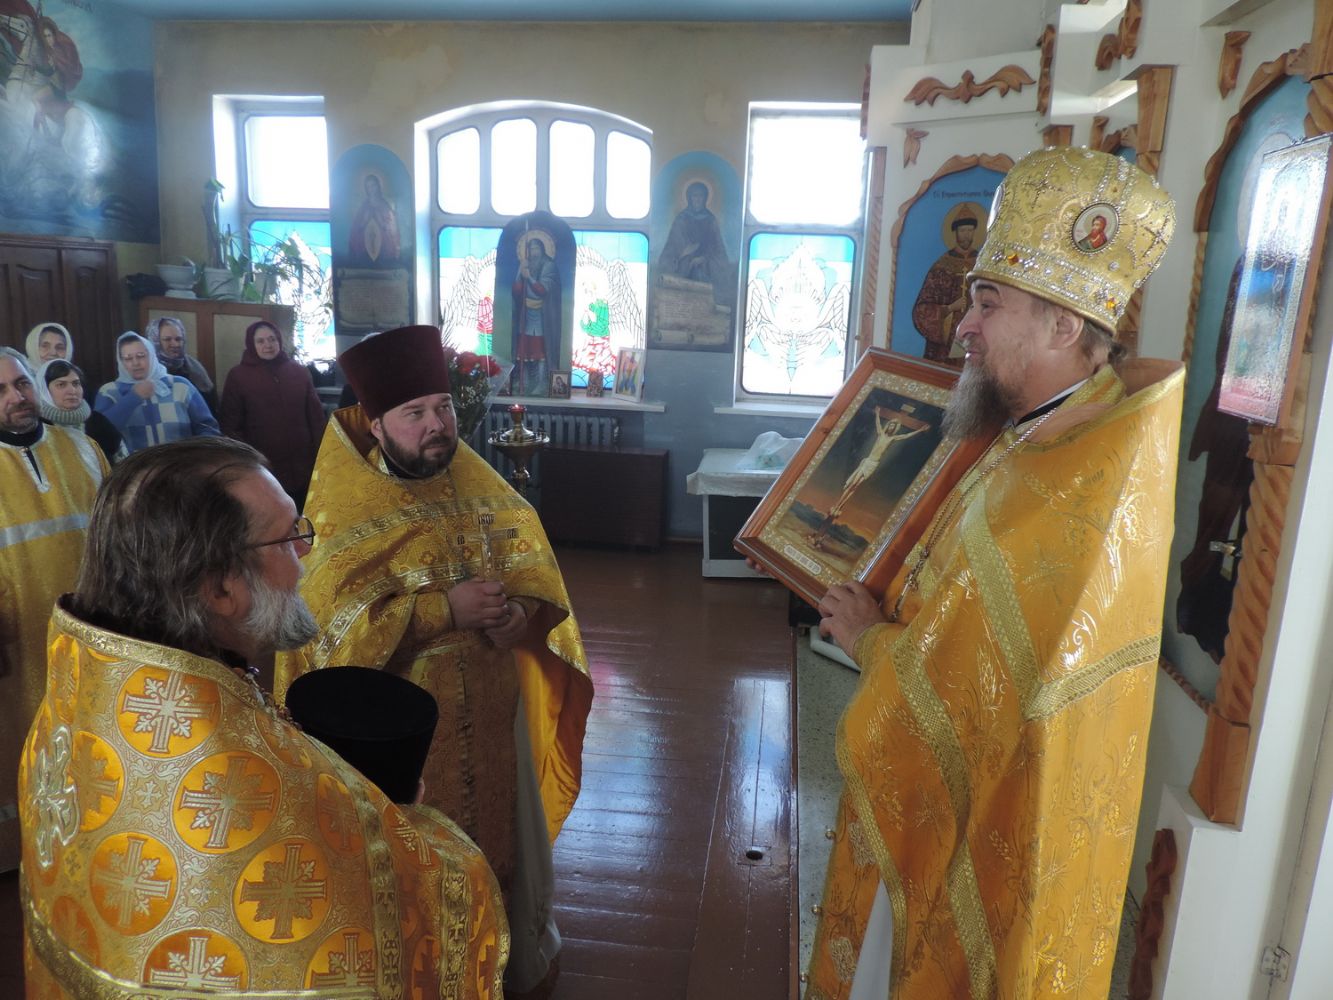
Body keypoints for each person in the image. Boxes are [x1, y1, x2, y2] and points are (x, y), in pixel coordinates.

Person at [805, 147, 1184, 1000]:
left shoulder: (1083, 483)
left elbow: (985, 696)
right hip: (938, 811)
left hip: (978, 826)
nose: (960, 328)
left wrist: (869, 643)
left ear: (1061, 328)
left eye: (985, 304)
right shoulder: (1041, 433)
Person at [18, 437, 508, 997]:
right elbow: (389, 915)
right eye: (287, 537)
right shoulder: (230, 787)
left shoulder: (86, 682)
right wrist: (401, 823)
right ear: (221, 588)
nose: (305, 553)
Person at [276, 325, 592, 999]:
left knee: (499, 846)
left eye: (443, 407)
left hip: (493, 716)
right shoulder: (342, 509)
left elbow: (532, 576)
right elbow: (324, 636)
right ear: (376, 424)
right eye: (414, 413)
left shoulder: (477, 484)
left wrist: (519, 616)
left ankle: (501, 968)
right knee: (413, 866)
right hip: (401, 736)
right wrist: (440, 610)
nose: (436, 426)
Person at [0, 347, 107, 872]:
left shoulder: (83, 449)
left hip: (94, 634)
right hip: (16, 646)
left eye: (21, 384)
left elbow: (120, 537)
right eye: (0, 391)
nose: (16, 397)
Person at [220, 320, 327, 508]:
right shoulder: (238, 376)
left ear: (279, 340)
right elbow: (230, 425)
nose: (268, 345)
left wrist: (322, 455)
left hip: (304, 465)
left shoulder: (299, 372)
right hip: (263, 467)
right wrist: (250, 460)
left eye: (272, 339)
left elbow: (316, 418)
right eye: (260, 341)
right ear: (251, 344)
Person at [95, 331, 220, 452]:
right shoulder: (109, 392)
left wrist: (197, 454)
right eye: (128, 358)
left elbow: (208, 427)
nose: (135, 363)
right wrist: (133, 397)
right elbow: (99, 434)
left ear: (152, 355)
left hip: (181, 462)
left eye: (141, 356)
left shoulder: (180, 385)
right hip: (134, 464)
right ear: (120, 362)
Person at [911, 206, 981, 362]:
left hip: (975, 340)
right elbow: (921, 311)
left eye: (970, 231)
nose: (966, 235)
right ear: (955, 232)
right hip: (944, 350)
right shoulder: (941, 266)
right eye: (962, 231)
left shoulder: (982, 264)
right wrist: (949, 308)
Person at [35, 358, 127, 464]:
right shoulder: (36, 426)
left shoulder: (98, 421)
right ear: (44, 390)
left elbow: (124, 464)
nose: (72, 391)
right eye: (61, 385)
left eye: (76, 384)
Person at [660, 180, 731, 302]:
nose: (697, 199)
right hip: (684, 264)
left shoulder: (710, 220)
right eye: (694, 196)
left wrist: (703, 258)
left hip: (706, 265)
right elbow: (672, 245)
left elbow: (717, 246)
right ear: (689, 198)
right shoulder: (681, 219)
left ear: (705, 198)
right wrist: (685, 255)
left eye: (701, 196)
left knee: (704, 276)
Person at [511, 235, 562, 396]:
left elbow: (543, 290)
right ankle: (525, 381)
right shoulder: (526, 264)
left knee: (540, 349)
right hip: (525, 314)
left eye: (536, 248)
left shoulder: (548, 266)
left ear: (542, 249)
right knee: (524, 348)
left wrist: (529, 278)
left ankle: (542, 382)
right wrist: (520, 272)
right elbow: (516, 291)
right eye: (530, 249)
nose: (533, 252)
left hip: (543, 314)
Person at [146, 315, 218, 413]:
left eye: (178, 339)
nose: (175, 344)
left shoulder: (194, 367)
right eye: (167, 339)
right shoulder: (146, 370)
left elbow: (210, 405)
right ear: (155, 341)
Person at [349, 171, 402, 264]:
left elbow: (392, 229)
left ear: (378, 186)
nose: (371, 189)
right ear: (366, 189)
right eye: (368, 187)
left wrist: (382, 223)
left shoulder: (384, 206)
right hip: (365, 246)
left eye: (373, 185)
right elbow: (356, 228)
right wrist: (363, 222)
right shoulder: (364, 206)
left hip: (383, 248)